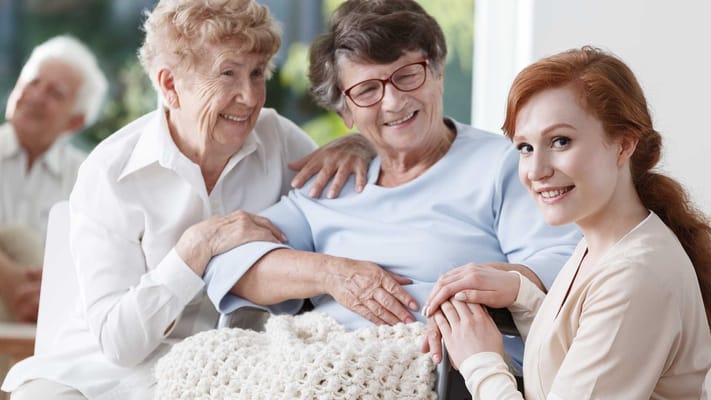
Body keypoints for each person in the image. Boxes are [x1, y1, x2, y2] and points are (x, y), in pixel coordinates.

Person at [1, 0, 374, 398]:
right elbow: (119, 343)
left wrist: (363, 145)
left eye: (257, 73)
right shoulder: (110, 174)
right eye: (227, 74)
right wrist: (197, 247)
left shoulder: (281, 143)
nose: (249, 97)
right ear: (168, 84)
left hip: (228, 372)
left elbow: (345, 219)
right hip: (101, 377)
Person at [203, 0, 579, 395]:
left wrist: (476, 290)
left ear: (437, 71)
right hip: (326, 367)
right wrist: (333, 273)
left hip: (447, 373)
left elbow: (563, 264)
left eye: (407, 75)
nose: (394, 101)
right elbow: (232, 265)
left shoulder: (506, 165)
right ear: (345, 110)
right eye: (367, 90)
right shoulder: (332, 182)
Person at [426, 46, 711, 399]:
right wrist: (523, 297)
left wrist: (480, 362)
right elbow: (572, 361)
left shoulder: (636, 274)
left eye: (560, 141)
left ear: (623, 145)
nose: (536, 170)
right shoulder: (601, 244)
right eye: (525, 148)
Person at [0, 35, 108, 324]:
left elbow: (99, 263)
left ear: (75, 121)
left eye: (54, 93)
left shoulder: (88, 178)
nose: (35, 96)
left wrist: (55, 288)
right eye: (32, 82)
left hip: (51, 320)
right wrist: (6, 276)